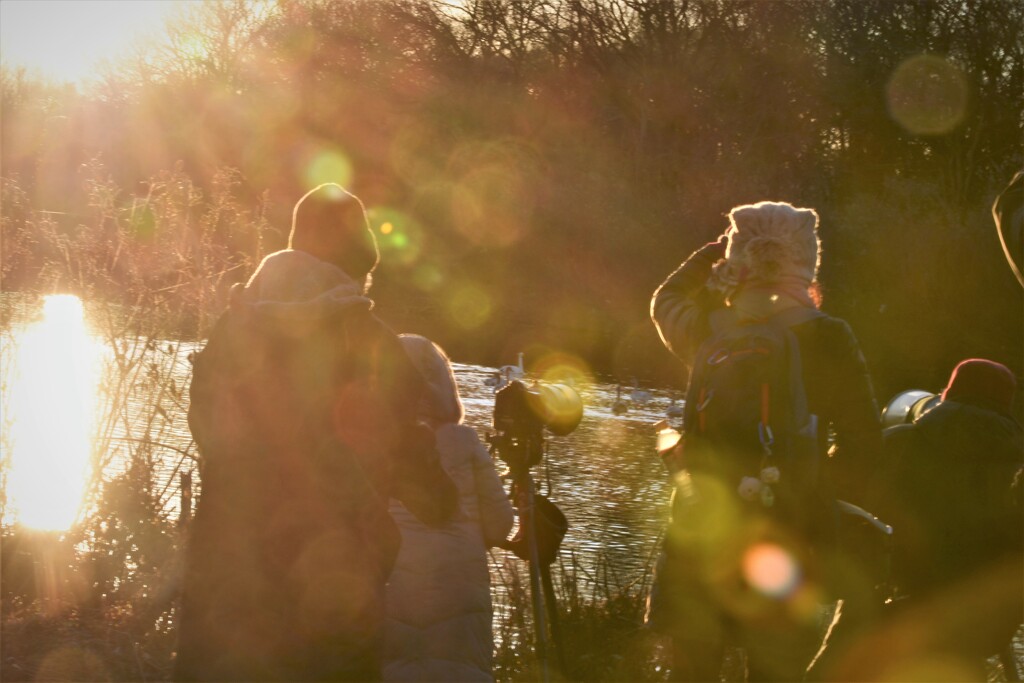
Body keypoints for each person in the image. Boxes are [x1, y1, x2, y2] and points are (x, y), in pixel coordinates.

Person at [176, 183, 457, 682]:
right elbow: (423, 484)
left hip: (225, 580)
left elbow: (208, 432)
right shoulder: (370, 346)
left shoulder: (229, 333)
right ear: (357, 262)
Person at [649, 201, 882, 681]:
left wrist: (708, 258)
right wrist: (816, 485)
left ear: (738, 262)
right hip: (788, 538)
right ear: (808, 262)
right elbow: (865, 444)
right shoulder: (831, 337)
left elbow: (665, 301)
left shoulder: (709, 328)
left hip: (701, 533)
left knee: (692, 670)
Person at [826, 359, 1022, 682]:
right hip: (989, 623)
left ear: (949, 392)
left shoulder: (898, 443)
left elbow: (850, 504)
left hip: (900, 605)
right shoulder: (1017, 461)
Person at [382, 334, 515, 683]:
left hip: (392, 588)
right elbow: (500, 525)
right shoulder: (467, 443)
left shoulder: (377, 443)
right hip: (460, 595)